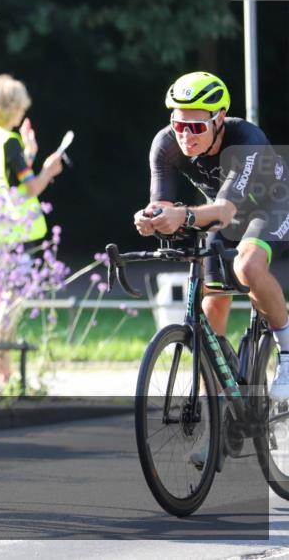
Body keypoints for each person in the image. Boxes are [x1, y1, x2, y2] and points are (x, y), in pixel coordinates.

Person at [133, 71, 289, 465]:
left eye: (196, 126)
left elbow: (223, 209)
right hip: (224, 217)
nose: (186, 135)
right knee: (211, 304)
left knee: (248, 265)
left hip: (272, 207)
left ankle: (288, 348)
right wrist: (151, 218)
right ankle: (221, 422)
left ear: (219, 119)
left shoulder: (245, 140)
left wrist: (184, 215)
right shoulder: (165, 145)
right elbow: (163, 204)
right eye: (178, 124)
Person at [0, 74, 64, 390]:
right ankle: (6, 375)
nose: (24, 112)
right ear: (12, 108)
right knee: (9, 306)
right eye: (21, 107)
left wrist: (29, 153)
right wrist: (49, 169)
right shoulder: (8, 142)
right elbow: (31, 187)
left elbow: (10, 178)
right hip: (15, 236)